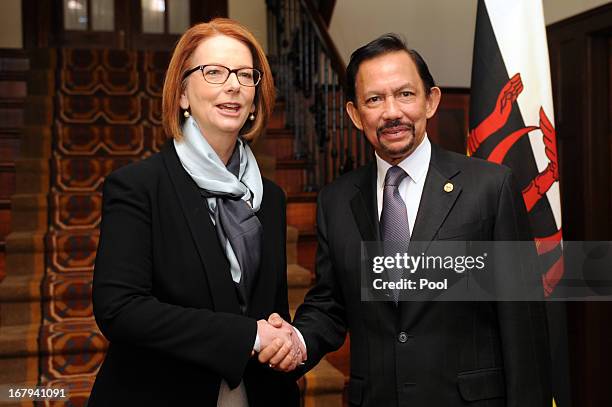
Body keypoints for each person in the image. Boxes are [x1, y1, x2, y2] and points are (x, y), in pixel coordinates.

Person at [264, 34, 551, 406]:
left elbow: (522, 325)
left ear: (431, 101)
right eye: (374, 99)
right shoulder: (336, 201)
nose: (392, 112)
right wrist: (297, 342)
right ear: (354, 114)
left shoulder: (490, 189)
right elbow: (330, 304)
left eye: (405, 94)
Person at [89, 18, 300, 406]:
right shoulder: (138, 186)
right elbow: (120, 309)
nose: (233, 84)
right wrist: (248, 336)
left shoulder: (270, 197)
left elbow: (271, 312)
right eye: (214, 72)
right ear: (183, 94)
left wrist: (283, 339)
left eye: (245, 74)